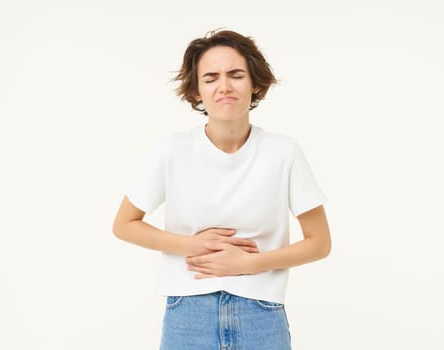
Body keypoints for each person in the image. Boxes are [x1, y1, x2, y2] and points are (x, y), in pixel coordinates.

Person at [113, 29, 331, 350]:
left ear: (255, 84)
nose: (224, 86)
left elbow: (320, 242)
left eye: (236, 75)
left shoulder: (283, 152)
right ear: (197, 91)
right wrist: (189, 245)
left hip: (261, 312)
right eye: (211, 77)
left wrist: (250, 264)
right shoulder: (172, 151)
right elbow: (123, 224)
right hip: (188, 314)